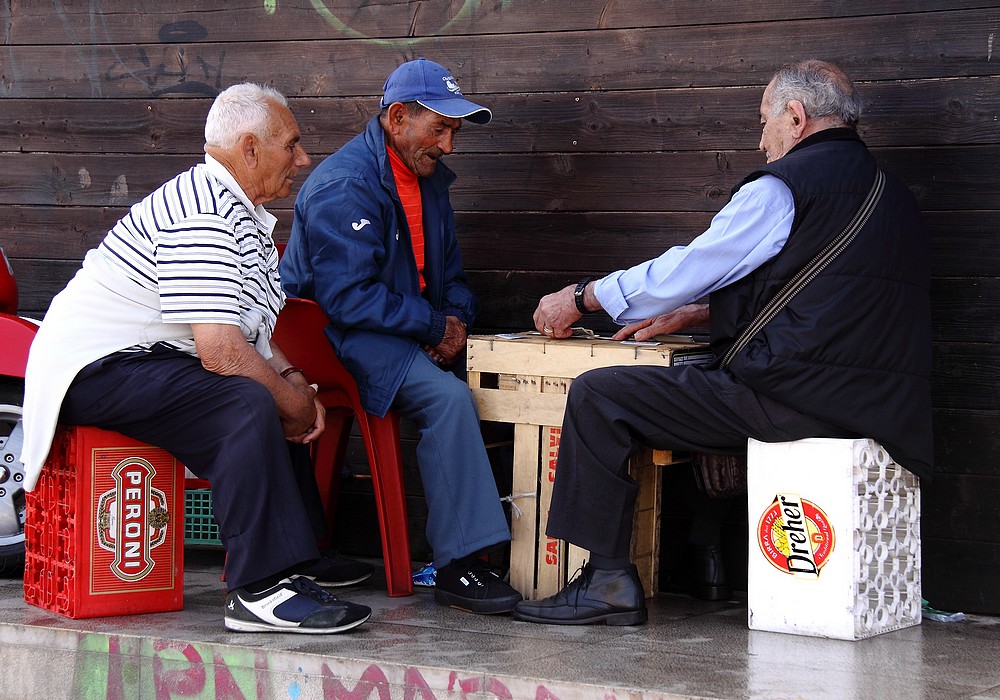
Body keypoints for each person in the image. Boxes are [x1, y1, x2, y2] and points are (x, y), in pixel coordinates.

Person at [514, 59, 932, 625]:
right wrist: (701, 314)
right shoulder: (894, 196)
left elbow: (687, 268)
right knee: (702, 376)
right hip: (879, 411)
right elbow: (831, 298)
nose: (761, 142)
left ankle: (608, 580)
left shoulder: (784, 188)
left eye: (764, 123)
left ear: (796, 115)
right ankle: (704, 562)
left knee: (600, 395)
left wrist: (585, 297)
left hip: (798, 401)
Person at [20, 83, 374, 635]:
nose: (302, 159)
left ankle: (298, 560)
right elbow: (222, 351)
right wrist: (292, 402)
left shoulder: (237, 207)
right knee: (245, 402)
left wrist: (293, 380)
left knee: (269, 392)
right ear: (251, 150)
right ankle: (259, 590)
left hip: (141, 360)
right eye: (292, 144)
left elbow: (242, 328)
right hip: (91, 368)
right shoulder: (204, 211)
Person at [280, 58, 522, 615]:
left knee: (503, 381)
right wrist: (433, 326)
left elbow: (454, 280)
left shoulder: (428, 181)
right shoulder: (345, 185)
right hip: (336, 337)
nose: (449, 145)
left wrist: (453, 324)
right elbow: (346, 298)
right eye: (440, 128)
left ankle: (511, 547)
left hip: (403, 329)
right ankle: (462, 565)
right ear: (397, 118)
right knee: (447, 398)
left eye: (454, 131)